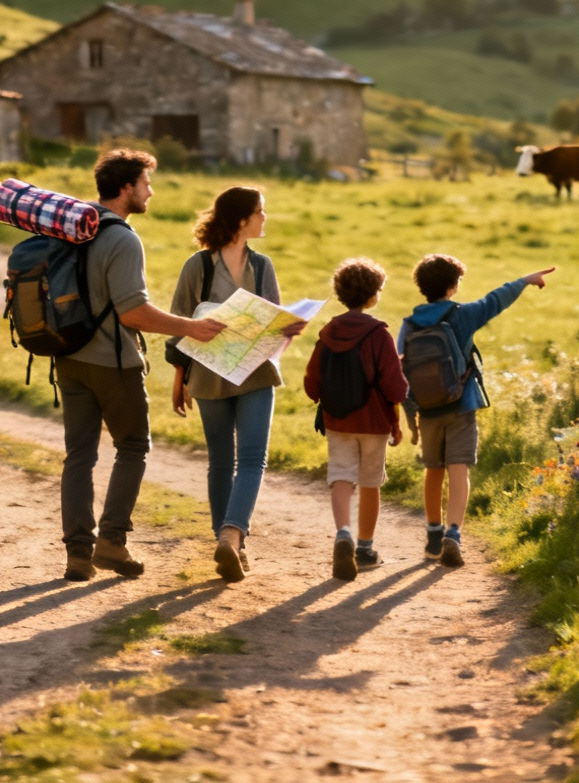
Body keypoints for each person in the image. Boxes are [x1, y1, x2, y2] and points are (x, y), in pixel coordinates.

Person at [59, 149, 226, 583]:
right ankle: (111, 541)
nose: (150, 191)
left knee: (79, 454)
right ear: (126, 188)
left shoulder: (74, 227)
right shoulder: (122, 238)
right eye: (145, 183)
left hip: (69, 357)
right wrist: (191, 327)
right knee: (132, 447)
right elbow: (133, 312)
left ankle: (77, 555)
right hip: (112, 361)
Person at [168, 186, 306, 583]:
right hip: (208, 375)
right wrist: (180, 379)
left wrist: (290, 328)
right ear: (242, 219)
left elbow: (274, 325)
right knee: (228, 462)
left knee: (242, 460)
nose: (266, 218)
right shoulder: (199, 266)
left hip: (255, 372)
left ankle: (229, 538)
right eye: (260, 212)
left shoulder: (262, 266)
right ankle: (230, 539)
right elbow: (179, 324)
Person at [399, 255, 554, 568]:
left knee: (433, 469)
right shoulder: (463, 315)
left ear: (422, 288)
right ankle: (453, 534)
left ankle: (433, 531)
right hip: (462, 404)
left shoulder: (410, 323)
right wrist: (524, 280)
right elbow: (495, 300)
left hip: (427, 409)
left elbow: (401, 366)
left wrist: (409, 412)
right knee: (459, 469)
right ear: (453, 287)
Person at [303, 258, 410, 582]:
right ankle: (364, 548)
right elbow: (395, 386)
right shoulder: (379, 334)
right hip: (375, 422)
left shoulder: (328, 332)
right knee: (370, 483)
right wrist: (401, 398)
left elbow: (311, 382)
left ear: (340, 292)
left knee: (341, 477)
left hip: (338, 421)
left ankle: (343, 534)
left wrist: (325, 398)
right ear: (374, 295)